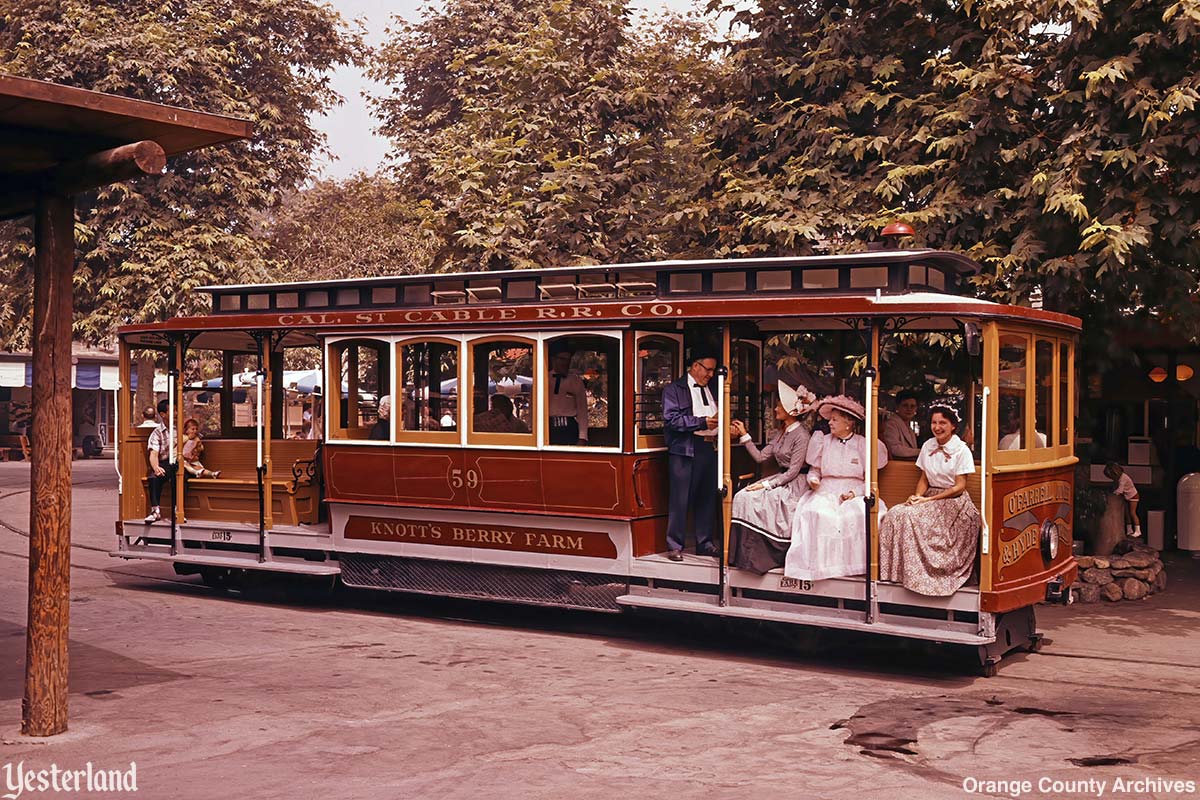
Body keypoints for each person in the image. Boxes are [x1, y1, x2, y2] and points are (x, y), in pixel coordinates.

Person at [784, 395, 888, 581]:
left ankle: (854, 568)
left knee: (857, 514)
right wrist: (814, 480)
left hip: (855, 490)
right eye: (830, 419)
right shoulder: (822, 441)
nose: (830, 423)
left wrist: (854, 493)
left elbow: (870, 479)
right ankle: (822, 568)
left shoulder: (862, 444)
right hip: (825, 490)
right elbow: (814, 471)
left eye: (834, 419)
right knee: (817, 513)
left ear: (848, 423)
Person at [879, 406, 981, 595]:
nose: (937, 427)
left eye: (942, 423)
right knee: (893, 514)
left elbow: (960, 486)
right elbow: (924, 479)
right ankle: (898, 574)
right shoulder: (928, 445)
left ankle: (922, 578)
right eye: (934, 422)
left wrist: (929, 500)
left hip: (953, 501)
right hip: (930, 498)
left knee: (910, 517)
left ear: (952, 426)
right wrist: (918, 497)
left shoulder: (961, 450)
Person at [728, 381, 816, 574]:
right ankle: (743, 556)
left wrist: (766, 485)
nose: (775, 408)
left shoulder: (802, 435)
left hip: (795, 484)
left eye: (779, 405)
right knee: (742, 496)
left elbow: (793, 471)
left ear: (789, 410)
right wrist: (745, 435)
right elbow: (761, 457)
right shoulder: (781, 432)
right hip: (780, 478)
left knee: (755, 498)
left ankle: (763, 557)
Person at [662, 353, 721, 561]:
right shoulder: (674, 389)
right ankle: (674, 545)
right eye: (708, 369)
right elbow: (672, 420)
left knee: (706, 497)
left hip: (710, 448)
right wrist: (703, 422)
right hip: (686, 449)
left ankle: (704, 543)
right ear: (695, 366)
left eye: (713, 370)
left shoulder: (713, 388)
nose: (711, 375)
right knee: (680, 498)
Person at [547, 348, 589, 446]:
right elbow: (533, 407)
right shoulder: (543, 379)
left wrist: (582, 437)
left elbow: (582, 410)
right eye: (562, 359)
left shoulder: (575, 381)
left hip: (569, 430)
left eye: (568, 360)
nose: (565, 363)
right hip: (547, 429)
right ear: (553, 360)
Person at [144, 399, 175, 524]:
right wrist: (156, 467)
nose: (177, 413)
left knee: (181, 477)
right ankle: (155, 511)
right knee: (154, 477)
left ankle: (178, 510)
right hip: (165, 462)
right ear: (163, 415)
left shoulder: (181, 428)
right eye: (174, 410)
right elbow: (154, 454)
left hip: (180, 462)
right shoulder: (157, 433)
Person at [1104, 461, 1141, 538]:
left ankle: (1138, 531)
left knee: (1132, 513)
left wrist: (1113, 494)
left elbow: (1120, 490)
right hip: (1126, 496)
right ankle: (1129, 530)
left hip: (1133, 496)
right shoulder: (1118, 478)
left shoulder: (1123, 478)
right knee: (1127, 514)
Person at [882, 390, 921, 459]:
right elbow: (894, 448)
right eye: (905, 405)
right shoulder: (891, 424)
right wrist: (920, 452)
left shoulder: (909, 427)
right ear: (897, 407)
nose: (909, 409)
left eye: (912, 406)